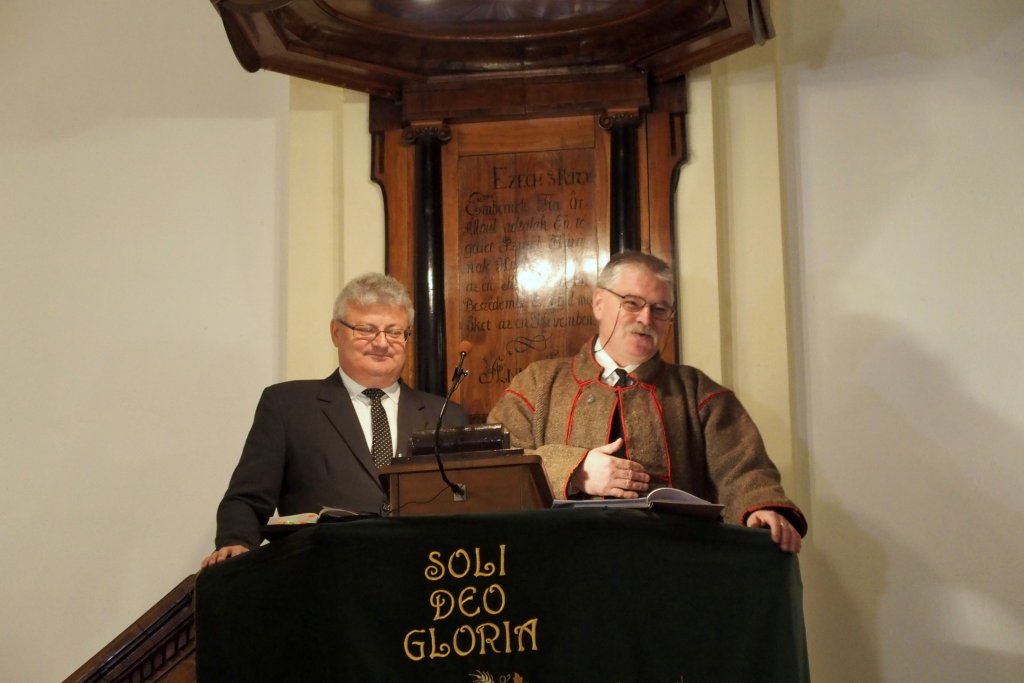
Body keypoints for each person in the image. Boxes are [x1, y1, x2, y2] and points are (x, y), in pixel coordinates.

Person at [487, 251, 807, 552]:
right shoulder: (537, 383)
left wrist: (759, 508)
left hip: (670, 568)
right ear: (599, 303)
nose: (646, 318)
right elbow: (492, 466)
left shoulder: (700, 393)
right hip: (560, 563)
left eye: (660, 309)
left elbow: (742, 470)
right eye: (632, 303)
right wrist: (573, 470)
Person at [202, 273, 468, 567]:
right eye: (366, 330)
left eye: (395, 332)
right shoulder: (288, 406)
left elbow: (469, 508)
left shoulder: (447, 416)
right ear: (336, 332)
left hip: (422, 577)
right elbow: (247, 499)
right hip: (320, 577)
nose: (382, 343)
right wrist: (236, 541)